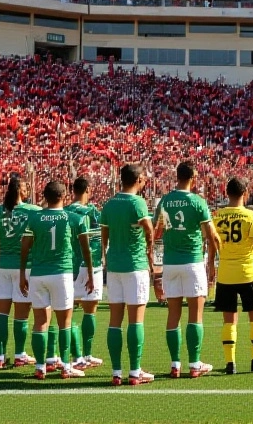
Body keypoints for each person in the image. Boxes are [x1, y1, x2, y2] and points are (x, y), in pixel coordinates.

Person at [18, 180, 94, 379]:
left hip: (38, 274)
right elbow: (85, 249)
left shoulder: (34, 218)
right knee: (64, 322)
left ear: (45, 196)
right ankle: (66, 367)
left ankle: (40, 367)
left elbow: (24, 247)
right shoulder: (74, 219)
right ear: (64, 196)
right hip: (61, 273)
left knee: (40, 322)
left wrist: (21, 275)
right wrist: (91, 274)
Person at [154, 160, 219, 378]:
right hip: (192, 262)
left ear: (177, 176)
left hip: (170, 263)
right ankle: (194, 364)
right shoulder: (198, 202)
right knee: (196, 315)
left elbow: (156, 231)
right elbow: (210, 235)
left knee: (173, 315)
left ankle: (175, 365)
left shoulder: (165, 200)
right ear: (193, 178)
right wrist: (211, 263)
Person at [101, 163, 157, 385]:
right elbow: (149, 230)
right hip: (135, 266)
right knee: (135, 320)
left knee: (115, 320)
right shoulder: (138, 203)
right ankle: (135, 372)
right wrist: (149, 252)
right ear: (138, 180)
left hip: (114, 266)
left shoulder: (109, 204)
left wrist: (106, 257)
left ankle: (116, 372)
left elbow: (104, 234)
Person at [211, 176, 253, 375]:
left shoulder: (217, 216)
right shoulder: (251, 216)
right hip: (248, 274)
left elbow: (211, 245)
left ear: (226, 193)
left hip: (226, 275)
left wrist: (210, 267)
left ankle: (230, 363)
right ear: (245, 193)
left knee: (229, 321)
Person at [0, 174, 41, 369]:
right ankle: (19, 354)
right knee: (21, 315)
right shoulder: (34, 211)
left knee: (2, 314)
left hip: (3, 267)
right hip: (24, 268)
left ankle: (0, 357)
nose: (29, 190)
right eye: (26, 187)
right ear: (20, 190)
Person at [66, 176, 104, 368]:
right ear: (88, 189)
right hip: (89, 265)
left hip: (68, 266)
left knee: (68, 313)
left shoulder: (64, 211)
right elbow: (96, 242)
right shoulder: (93, 212)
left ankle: (77, 356)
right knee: (90, 310)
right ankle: (86, 355)